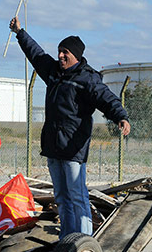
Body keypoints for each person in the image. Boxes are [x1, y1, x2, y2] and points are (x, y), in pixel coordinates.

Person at [9, 16, 130, 238]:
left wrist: (121, 116)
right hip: (53, 145)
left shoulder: (88, 79)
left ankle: (83, 242)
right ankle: (66, 240)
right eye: (59, 51)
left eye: (65, 52)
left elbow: (106, 98)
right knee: (61, 197)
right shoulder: (54, 72)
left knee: (77, 195)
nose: (61, 55)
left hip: (74, 147)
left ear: (76, 55)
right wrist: (20, 33)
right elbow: (36, 54)